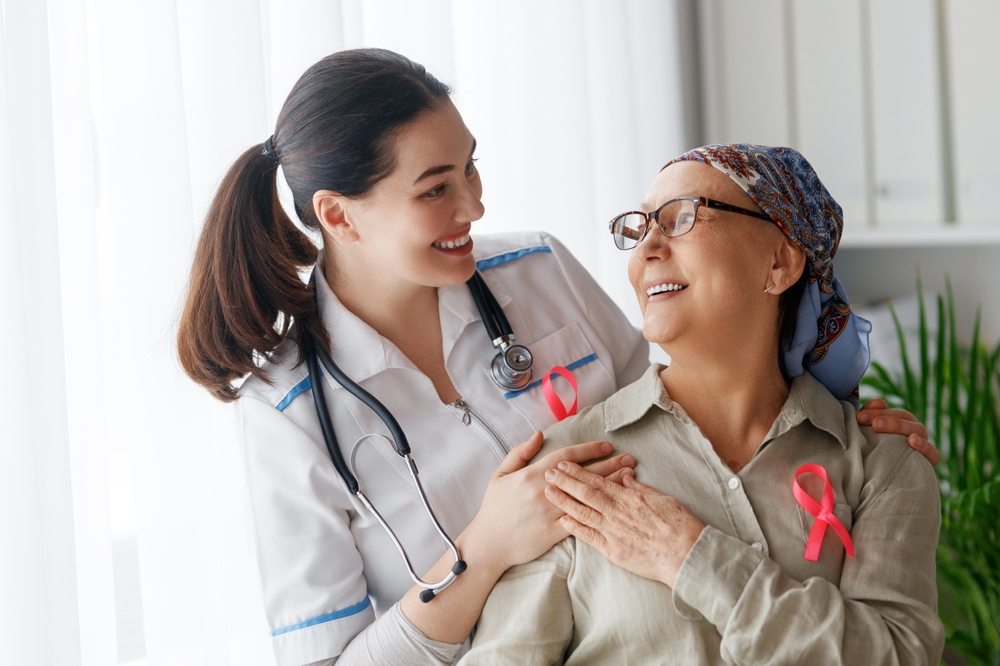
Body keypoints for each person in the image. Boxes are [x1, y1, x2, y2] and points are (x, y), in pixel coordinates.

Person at [176, 48, 937, 666]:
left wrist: (844, 427)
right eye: (437, 189)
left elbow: (692, 411)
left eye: (470, 168)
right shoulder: (286, 416)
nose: (474, 206)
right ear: (338, 216)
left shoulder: (539, 270)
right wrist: (483, 549)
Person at [463, 145, 944, 665]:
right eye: (640, 226)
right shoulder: (570, 467)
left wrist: (689, 555)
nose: (646, 245)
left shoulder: (883, 462)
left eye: (681, 217)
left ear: (780, 262)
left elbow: (900, 655)